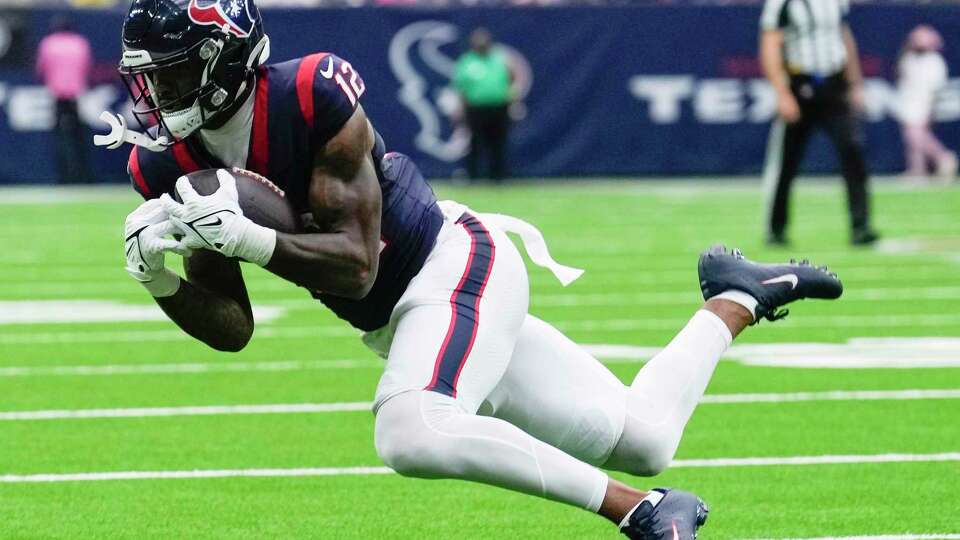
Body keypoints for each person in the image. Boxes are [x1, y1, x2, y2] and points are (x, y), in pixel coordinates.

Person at [104, 1, 843, 538]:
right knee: (645, 437)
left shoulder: (311, 93)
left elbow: (359, 266)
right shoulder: (165, 161)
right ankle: (736, 299)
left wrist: (250, 240)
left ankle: (642, 512)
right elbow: (233, 330)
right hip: (408, 319)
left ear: (228, 61)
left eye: (168, 77)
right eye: (147, 79)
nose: (153, 97)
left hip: (454, 265)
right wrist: (161, 281)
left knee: (412, 429)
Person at [759, 0, 879, 246]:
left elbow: (843, 35)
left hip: (834, 84)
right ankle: (776, 228)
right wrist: (782, 93)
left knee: (852, 149)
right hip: (799, 83)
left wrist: (855, 83)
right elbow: (770, 43)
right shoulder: (781, 2)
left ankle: (861, 226)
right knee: (786, 161)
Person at [36, 15, 93, 184]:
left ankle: (64, 176)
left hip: (58, 97)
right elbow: (86, 67)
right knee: (79, 137)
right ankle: (83, 175)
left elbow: (41, 69)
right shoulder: (80, 43)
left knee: (62, 138)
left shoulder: (48, 44)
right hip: (77, 97)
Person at [453, 28, 514, 182]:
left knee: (498, 143)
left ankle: (498, 176)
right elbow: (461, 87)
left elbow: (511, 78)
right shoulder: (467, 61)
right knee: (475, 143)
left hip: (498, 107)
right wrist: (460, 108)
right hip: (476, 108)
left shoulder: (499, 59)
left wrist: (511, 97)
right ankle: (473, 176)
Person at [897, 25, 956, 183]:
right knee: (912, 138)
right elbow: (904, 80)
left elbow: (935, 89)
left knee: (917, 136)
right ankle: (917, 169)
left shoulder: (935, 62)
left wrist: (930, 108)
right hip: (909, 102)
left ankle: (944, 157)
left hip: (924, 103)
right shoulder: (908, 59)